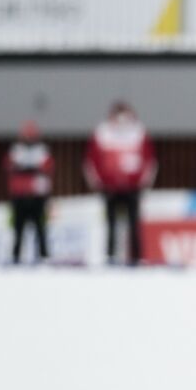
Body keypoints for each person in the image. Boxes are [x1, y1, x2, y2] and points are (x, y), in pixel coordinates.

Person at [84, 100, 156, 266]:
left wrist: (143, 183)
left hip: (133, 188)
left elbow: (150, 161)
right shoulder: (102, 132)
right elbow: (90, 161)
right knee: (111, 225)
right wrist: (98, 183)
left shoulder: (139, 132)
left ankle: (137, 258)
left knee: (134, 225)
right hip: (110, 188)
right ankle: (110, 257)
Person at [4, 120, 54, 264]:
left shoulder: (42, 150)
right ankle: (16, 257)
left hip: (37, 196)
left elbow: (48, 167)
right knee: (18, 229)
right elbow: (9, 165)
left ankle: (44, 257)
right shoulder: (16, 150)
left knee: (40, 229)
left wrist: (26, 169)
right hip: (19, 195)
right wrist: (29, 169)